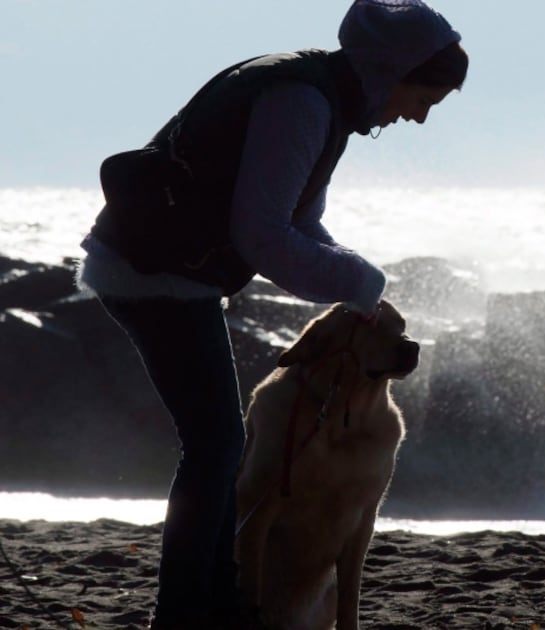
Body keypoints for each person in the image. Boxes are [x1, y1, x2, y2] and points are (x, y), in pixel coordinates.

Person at [75, 1, 467, 628]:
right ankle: (185, 613)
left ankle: (216, 602)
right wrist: (363, 284)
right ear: (393, 69)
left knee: (218, 445)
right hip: (154, 277)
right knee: (216, 446)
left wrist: (357, 280)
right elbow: (261, 236)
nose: (417, 115)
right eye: (425, 97)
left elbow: (299, 222)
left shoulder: (322, 97)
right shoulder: (303, 104)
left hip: (167, 273)